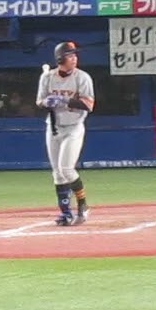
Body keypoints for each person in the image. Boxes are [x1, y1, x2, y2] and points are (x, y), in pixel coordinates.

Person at [37, 41, 94, 227]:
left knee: (66, 169)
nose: (74, 58)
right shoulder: (47, 77)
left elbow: (89, 105)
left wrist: (65, 100)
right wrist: (47, 102)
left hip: (74, 127)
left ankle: (83, 205)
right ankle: (65, 213)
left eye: (75, 55)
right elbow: (39, 101)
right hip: (53, 127)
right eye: (70, 55)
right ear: (60, 59)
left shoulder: (82, 77)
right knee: (57, 173)